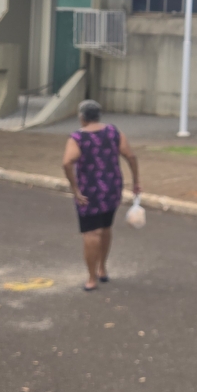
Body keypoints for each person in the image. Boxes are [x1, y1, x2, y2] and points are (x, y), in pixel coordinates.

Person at [61, 100, 141, 291]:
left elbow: (67, 162)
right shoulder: (114, 132)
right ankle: (103, 269)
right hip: (112, 187)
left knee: (91, 232)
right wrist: (136, 182)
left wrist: (75, 189)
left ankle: (91, 278)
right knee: (105, 228)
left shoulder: (77, 138)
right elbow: (130, 156)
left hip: (89, 192)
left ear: (82, 118)